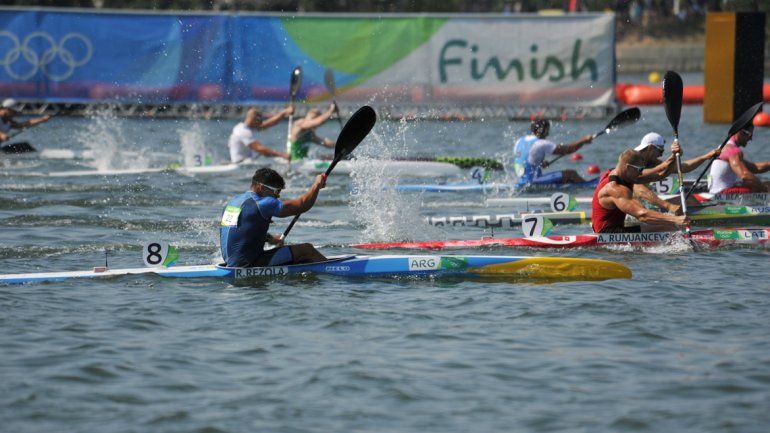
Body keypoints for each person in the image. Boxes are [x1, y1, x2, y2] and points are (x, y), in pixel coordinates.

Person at [220, 167, 328, 267]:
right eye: (276, 191)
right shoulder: (262, 203)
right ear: (261, 187)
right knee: (307, 250)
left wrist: (270, 238)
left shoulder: (233, 202)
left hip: (230, 262)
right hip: (249, 264)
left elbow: (240, 231)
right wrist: (317, 184)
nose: (278, 196)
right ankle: (333, 269)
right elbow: (302, 204)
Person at [592, 149, 690, 233]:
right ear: (628, 167)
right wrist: (675, 219)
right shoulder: (615, 188)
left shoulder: (624, 174)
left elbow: (660, 174)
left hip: (615, 228)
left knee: (668, 225)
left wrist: (674, 155)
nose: (641, 173)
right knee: (668, 227)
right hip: (607, 233)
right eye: (640, 169)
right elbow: (642, 215)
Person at [632, 132, 720, 211]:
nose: (661, 155)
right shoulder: (634, 160)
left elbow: (682, 167)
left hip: (648, 204)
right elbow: (641, 191)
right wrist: (668, 206)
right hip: (635, 208)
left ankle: (702, 219)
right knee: (639, 188)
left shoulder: (651, 161)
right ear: (651, 147)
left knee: (689, 200)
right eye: (660, 151)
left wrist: (705, 157)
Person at [513, 119, 593, 187]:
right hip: (532, 181)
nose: (548, 134)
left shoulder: (519, 141)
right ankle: (589, 187)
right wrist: (584, 140)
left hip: (521, 180)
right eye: (547, 130)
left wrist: (540, 163)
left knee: (565, 177)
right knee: (571, 174)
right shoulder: (541, 143)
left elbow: (524, 160)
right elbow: (568, 149)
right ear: (542, 130)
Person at [708, 126, 770, 193]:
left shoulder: (724, 147)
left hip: (715, 191)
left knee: (755, 182)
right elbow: (744, 175)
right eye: (750, 135)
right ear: (740, 132)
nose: (751, 139)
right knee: (762, 185)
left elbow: (754, 167)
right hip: (722, 193)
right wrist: (763, 187)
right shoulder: (733, 150)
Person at [227, 106, 293, 164]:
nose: (261, 122)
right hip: (240, 164)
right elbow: (261, 149)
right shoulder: (243, 132)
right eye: (259, 120)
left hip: (245, 162)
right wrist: (282, 155)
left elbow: (269, 123)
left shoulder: (242, 126)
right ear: (253, 119)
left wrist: (284, 113)